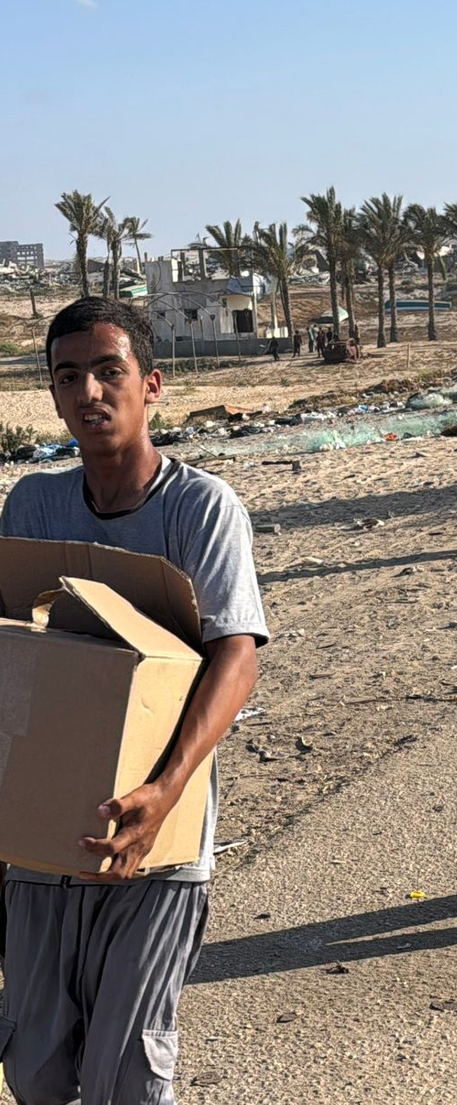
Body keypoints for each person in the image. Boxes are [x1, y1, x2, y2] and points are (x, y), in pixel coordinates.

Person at [0, 298, 267, 1103]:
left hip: (158, 847)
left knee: (125, 1078)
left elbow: (238, 657)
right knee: (36, 1070)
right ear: (51, 395)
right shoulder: (30, 507)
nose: (90, 392)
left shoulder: (201, 509)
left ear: (151, 385)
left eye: (109, 371)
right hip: (43, 851)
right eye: (69, 375)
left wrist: (166, 788)